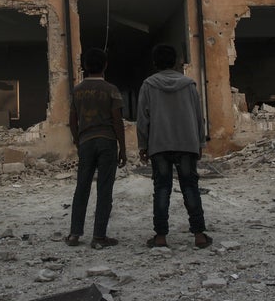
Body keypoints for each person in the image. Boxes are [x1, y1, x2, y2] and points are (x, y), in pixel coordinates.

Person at [137, 44, 212, 249]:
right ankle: (199, 235)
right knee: (190, 187)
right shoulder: (189, 85)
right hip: (187, 144)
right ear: (177, 62)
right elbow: (198, 117)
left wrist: (143, 145)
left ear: (155, 63)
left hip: (159, 145)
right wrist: (200, 142)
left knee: (161, 188)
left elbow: (143, 119)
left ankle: (160, 236)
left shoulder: (148, 85)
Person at [65, 47, 127, 249]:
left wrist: (77, 140)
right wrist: (123, 147)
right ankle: (99, 236)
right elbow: (117, 120)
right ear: (105, 65)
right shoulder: (111, 90)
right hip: (107, 142)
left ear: (84, 66)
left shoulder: (77, 91)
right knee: (104, 189)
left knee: (81, 187)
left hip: (86, 142)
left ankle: (75, 234)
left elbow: (72, 121)